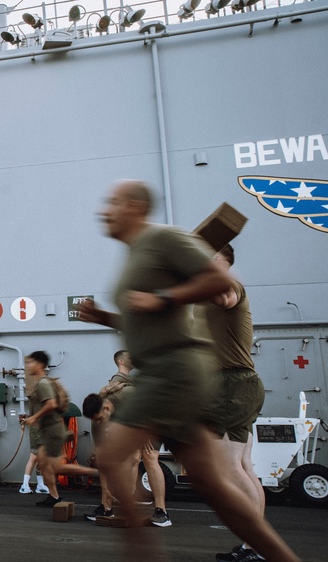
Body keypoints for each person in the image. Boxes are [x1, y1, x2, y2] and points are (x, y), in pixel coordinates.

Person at [78, 180, 297, 562]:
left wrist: (163, 296)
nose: (104, 211)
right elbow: (144, 321)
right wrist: (105, 318)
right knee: (212, 483)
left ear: (134, 206)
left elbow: (220, 282)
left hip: (174, 370)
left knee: (111, 457)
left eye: (111, 203)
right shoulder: (136, 255)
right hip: (178, 371)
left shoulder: (163, 239)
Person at [201, 245, 268, 562]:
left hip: (233, 384)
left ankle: (256, 545)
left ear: (220, 260)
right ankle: (254, 545)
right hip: (236, 384)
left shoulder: (229, 285)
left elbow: (225, 297)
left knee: (229, 469)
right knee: (243, 467)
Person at [86, 350, 172, 526]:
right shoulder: (98, 420)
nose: (101, 422)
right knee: (126, 458)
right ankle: (107, 506)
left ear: (107, 408)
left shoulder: (126, 394)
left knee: (149, 456)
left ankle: (161, 511)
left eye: (102, 418)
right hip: (132, 423)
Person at [21, 351, 97, 507]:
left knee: (58, 467)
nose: (28, 365)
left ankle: (100, 474)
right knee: (43, 464)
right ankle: (54, 496)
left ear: (40, 364)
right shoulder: (41, 382)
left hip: (52, 431)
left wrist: (33, 418)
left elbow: (51, 405)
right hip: (46, 431)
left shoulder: (43, 383)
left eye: (31, 362)